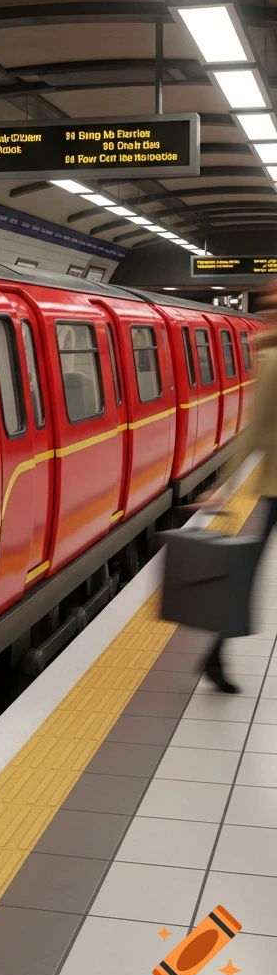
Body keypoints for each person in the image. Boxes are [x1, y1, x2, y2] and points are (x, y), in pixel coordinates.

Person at [195, 285, 277, 692]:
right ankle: (215, 653)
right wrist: (225, 485)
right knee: (247, 572)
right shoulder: (273, 361)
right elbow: (254, 431)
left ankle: (215, 654)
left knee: (248, 571)